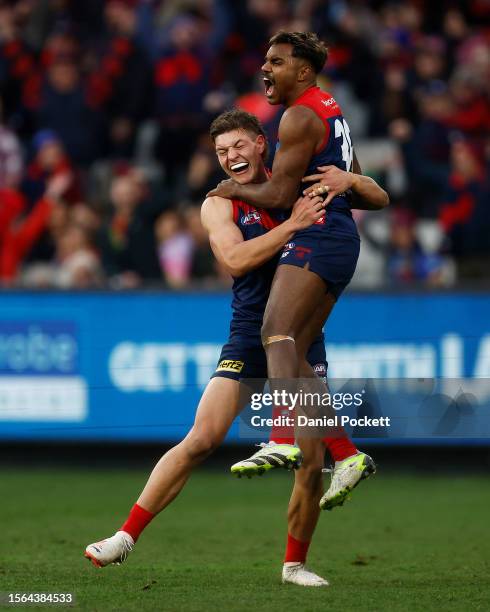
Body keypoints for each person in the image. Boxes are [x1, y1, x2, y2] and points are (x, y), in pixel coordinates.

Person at [84, 109, 330, 586]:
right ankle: (124, 537)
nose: (230, 157)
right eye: (221, 152)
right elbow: (237, 260)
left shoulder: (297, 182)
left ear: (262, 144)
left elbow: (369, 197)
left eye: (237, 146)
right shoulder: (219, 203)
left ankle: (294, 566)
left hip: (300, 336)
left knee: (311, 460)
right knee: (201, 438)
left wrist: (346, 180)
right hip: (247, 335)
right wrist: (294, 226)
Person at [207, 31, 389, 511]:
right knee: (298, 348)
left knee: (275, 331)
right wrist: (351, 179)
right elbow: (379, 196)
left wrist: (230, 189)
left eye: (277, 61)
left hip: (320, 237)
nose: (266, 68)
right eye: (265, 60)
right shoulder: (330, 110)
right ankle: (348, 455)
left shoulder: (300, 114)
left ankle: (283, 436)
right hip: (340, 237)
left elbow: (279, 197)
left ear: (303, 70)